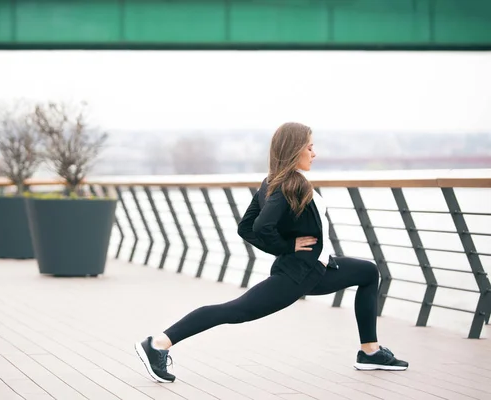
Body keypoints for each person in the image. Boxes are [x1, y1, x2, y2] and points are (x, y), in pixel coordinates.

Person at [134, 122, 409, 383]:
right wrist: (289, 247)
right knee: (234, 311)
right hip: (297, 276)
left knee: (368, 272)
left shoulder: (273, 182)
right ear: (294, 150)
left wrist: (291, 248)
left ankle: (370, 351)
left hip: (317, 268)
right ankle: (158, 344)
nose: (314, 153)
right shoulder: (292, 185)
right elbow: (260, 227)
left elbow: (245, 227)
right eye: (309, 147)